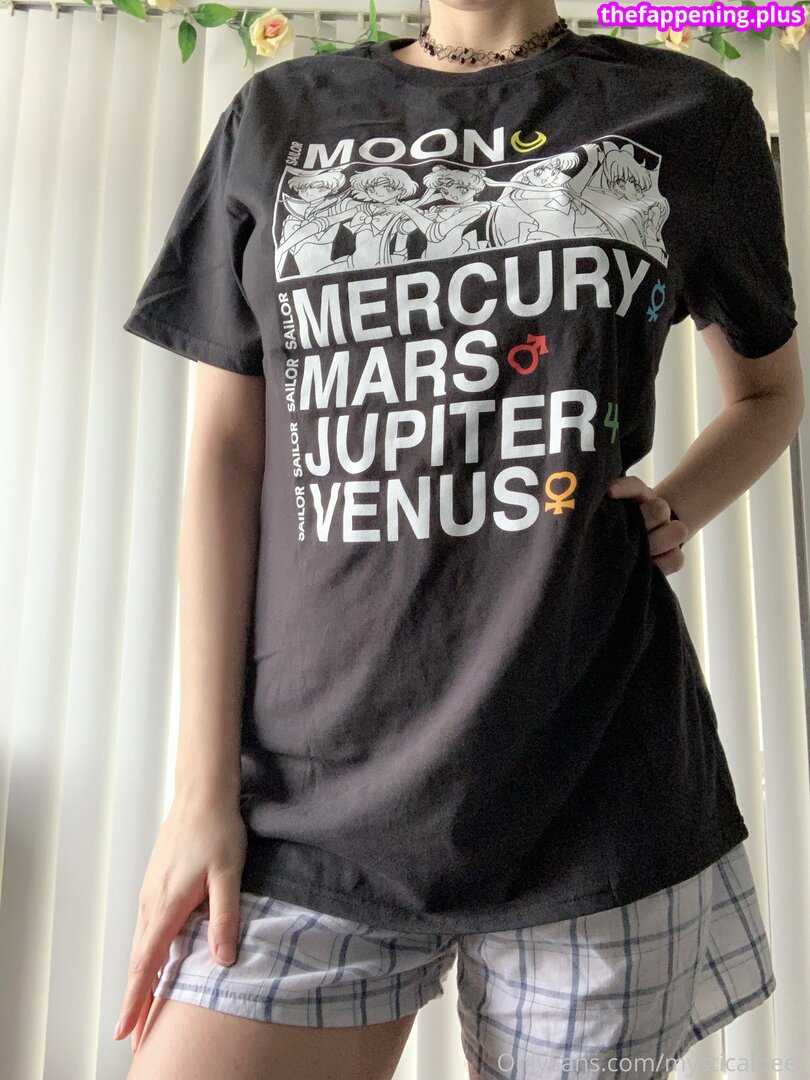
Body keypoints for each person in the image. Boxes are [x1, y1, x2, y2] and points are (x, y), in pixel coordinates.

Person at [116, 0, 803, 1076]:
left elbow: (769, 392)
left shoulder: (687, 112)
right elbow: (225, 454)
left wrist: (678, 503)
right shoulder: (281, 113)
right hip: (308, 800)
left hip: (595, 797)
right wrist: (199, 792)